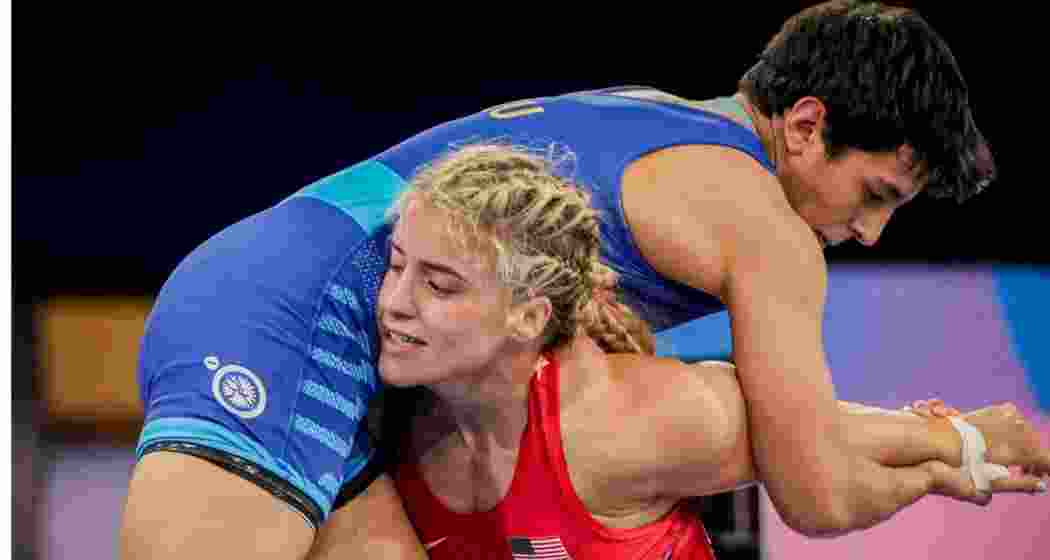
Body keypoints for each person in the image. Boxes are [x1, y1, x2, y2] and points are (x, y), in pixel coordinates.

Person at [121, 2, 1019, 557]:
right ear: (807, 124)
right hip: (286, 322)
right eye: (876, 193)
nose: (868, 230)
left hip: (307, 313)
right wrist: (957, 460)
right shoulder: (760, 223)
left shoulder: (653, 118)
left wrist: (940, 441)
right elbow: (815, 494)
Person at [347, 144, 1044, 559]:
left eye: (438, 283)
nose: (395, 301)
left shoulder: (625, 423)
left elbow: (822, 438)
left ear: (527, 316)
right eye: (398, 265)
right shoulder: (387, 411)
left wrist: (958, 442)